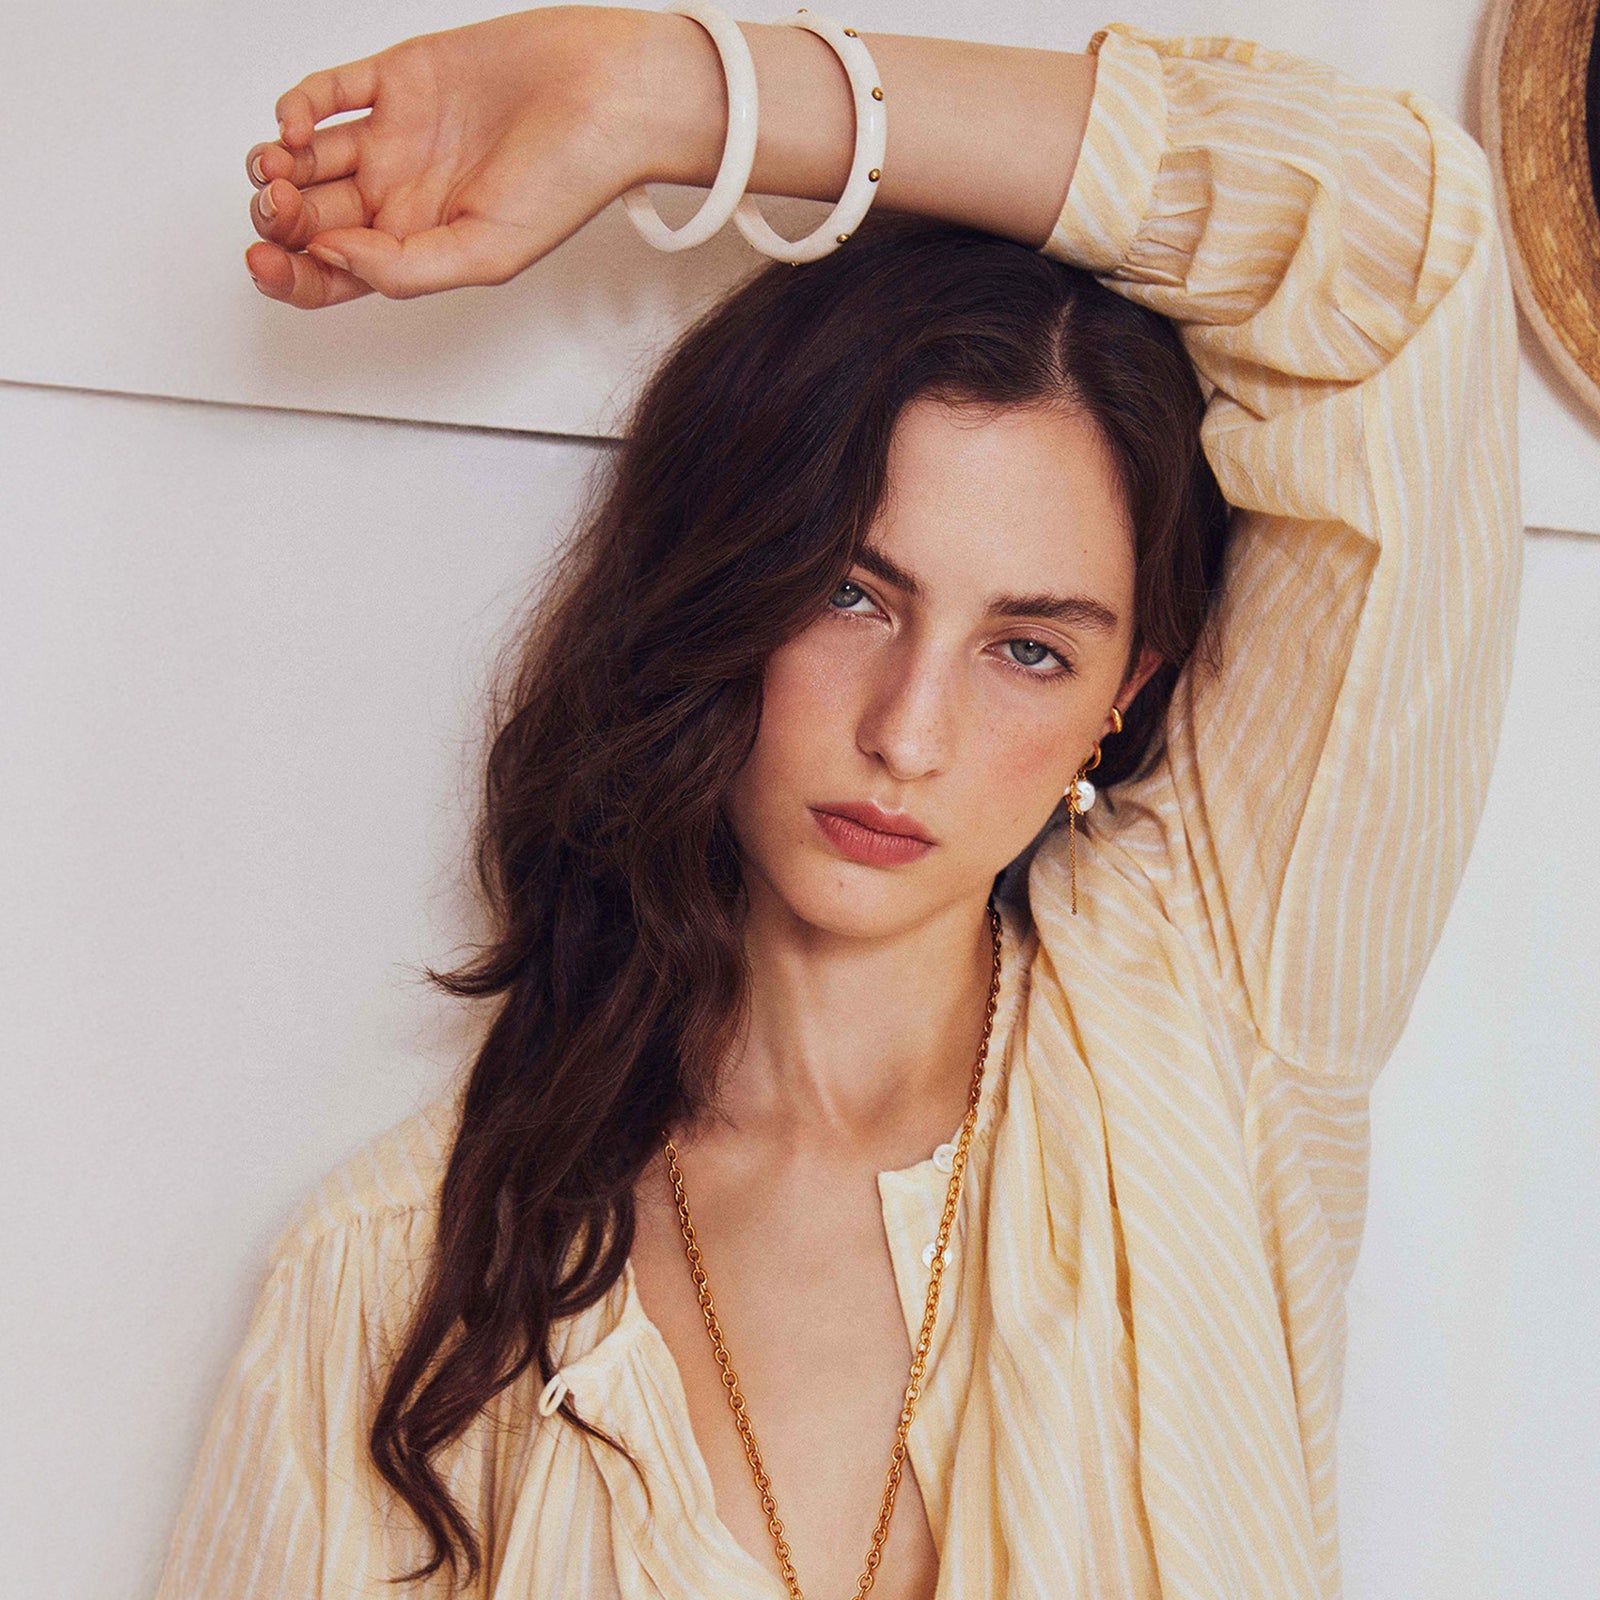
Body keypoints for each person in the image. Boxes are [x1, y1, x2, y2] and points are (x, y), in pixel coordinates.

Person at [154, 6, 1522, 1599]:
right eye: (850, 596)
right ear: (722, 591)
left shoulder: (1214, 1019)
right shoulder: (393, 1289)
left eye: (1028, 648)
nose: (909, 734)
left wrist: (674, 96)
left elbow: (1398, 266)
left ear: (1124, 692)